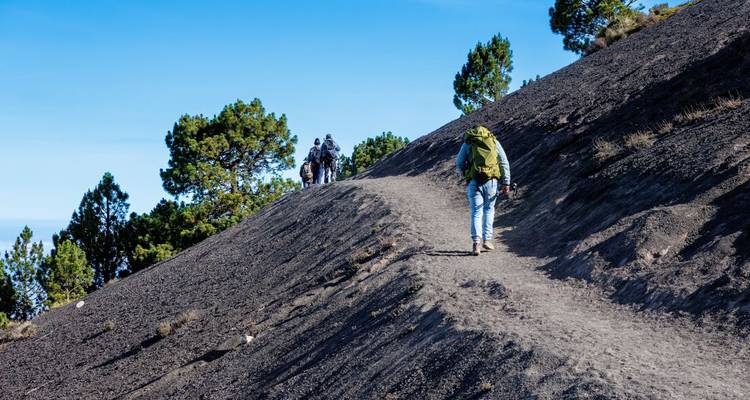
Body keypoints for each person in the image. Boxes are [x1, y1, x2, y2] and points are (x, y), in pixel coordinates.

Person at [455, 125, 511, 256]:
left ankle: (476, 243)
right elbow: (503, 162)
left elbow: (459, 162)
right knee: (489, 210)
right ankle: (487, 240)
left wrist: (467, 175)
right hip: (492, 181)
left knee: (476, 212)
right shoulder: (493, 141)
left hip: (474, 181)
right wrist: (506, 182)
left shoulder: (468, 143)